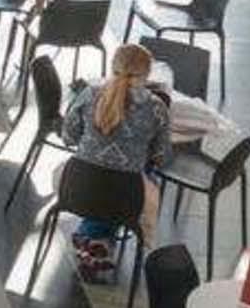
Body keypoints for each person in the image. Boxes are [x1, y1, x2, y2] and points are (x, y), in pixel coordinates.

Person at [59, 45, 171, 282]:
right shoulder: (157, 108)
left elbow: (68, 136)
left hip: (77, 187)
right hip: (125, 198)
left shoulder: (89, 94)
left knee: (103, 182)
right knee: (132, 183)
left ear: (112, 67)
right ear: (147, 74)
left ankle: (92, 237)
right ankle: (95, 240)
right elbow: (161, 156)